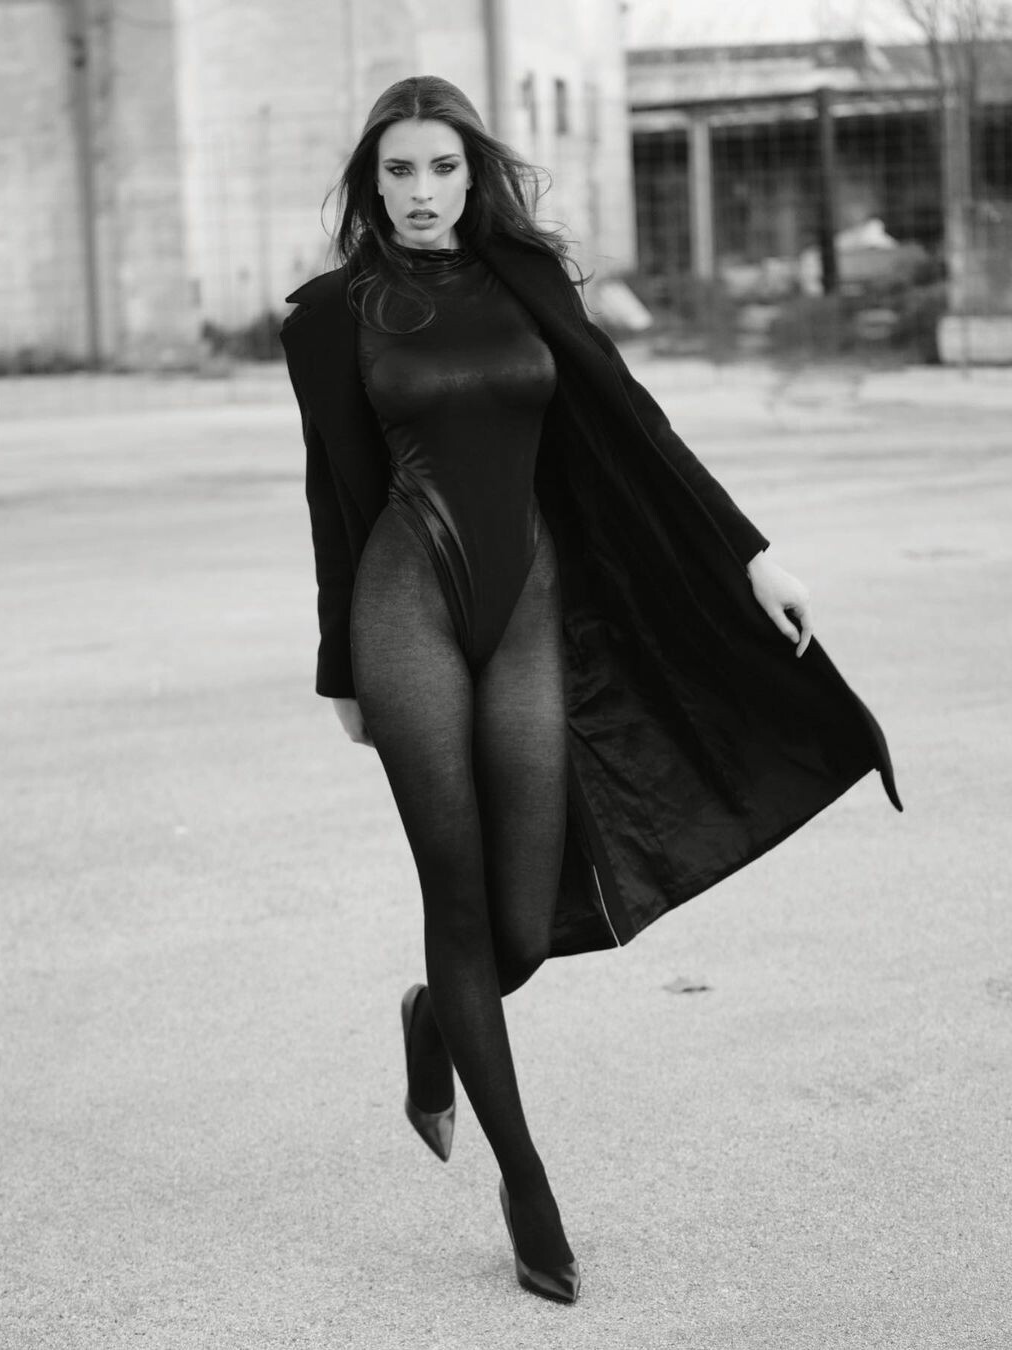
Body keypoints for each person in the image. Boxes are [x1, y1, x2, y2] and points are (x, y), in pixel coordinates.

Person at [279, 75, 902, 1306]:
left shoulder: (528, 282)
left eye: (442, 168)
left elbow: (635, 420)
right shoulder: (332, 318)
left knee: (519, 927)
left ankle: (433, 1021)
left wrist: (749, 555)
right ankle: (527, 1187)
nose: (420, 192)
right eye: (398, 171)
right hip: (404, 609)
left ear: (474, 175)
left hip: (527, 607)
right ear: (372, 184)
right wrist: (339, 666)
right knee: (457, 903)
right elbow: (333, 497)